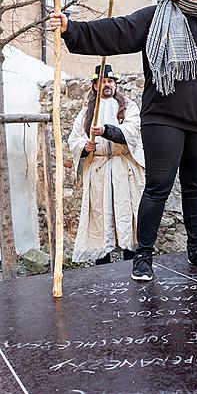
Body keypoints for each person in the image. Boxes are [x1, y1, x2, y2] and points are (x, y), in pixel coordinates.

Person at [50, 0, 197, 282]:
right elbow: (117, 31)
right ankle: (144, 255)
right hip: (163, 118)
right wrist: (71, 29)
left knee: (196, 189)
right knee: (158, 187)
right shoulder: (157, 16)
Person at [68, 63, 145, 264]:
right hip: (99, 171)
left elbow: (132, 132)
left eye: (110, 81)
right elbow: (73, 139)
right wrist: (85, 146)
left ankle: (132, 262)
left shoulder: (128, 107)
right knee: (101, 219)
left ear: (115, 84)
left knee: (127, 216)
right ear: (95, 85)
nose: (107, 85)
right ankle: (101, 267)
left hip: (123, 169)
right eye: (102, 81)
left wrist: (106, 131)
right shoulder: (87, 112)